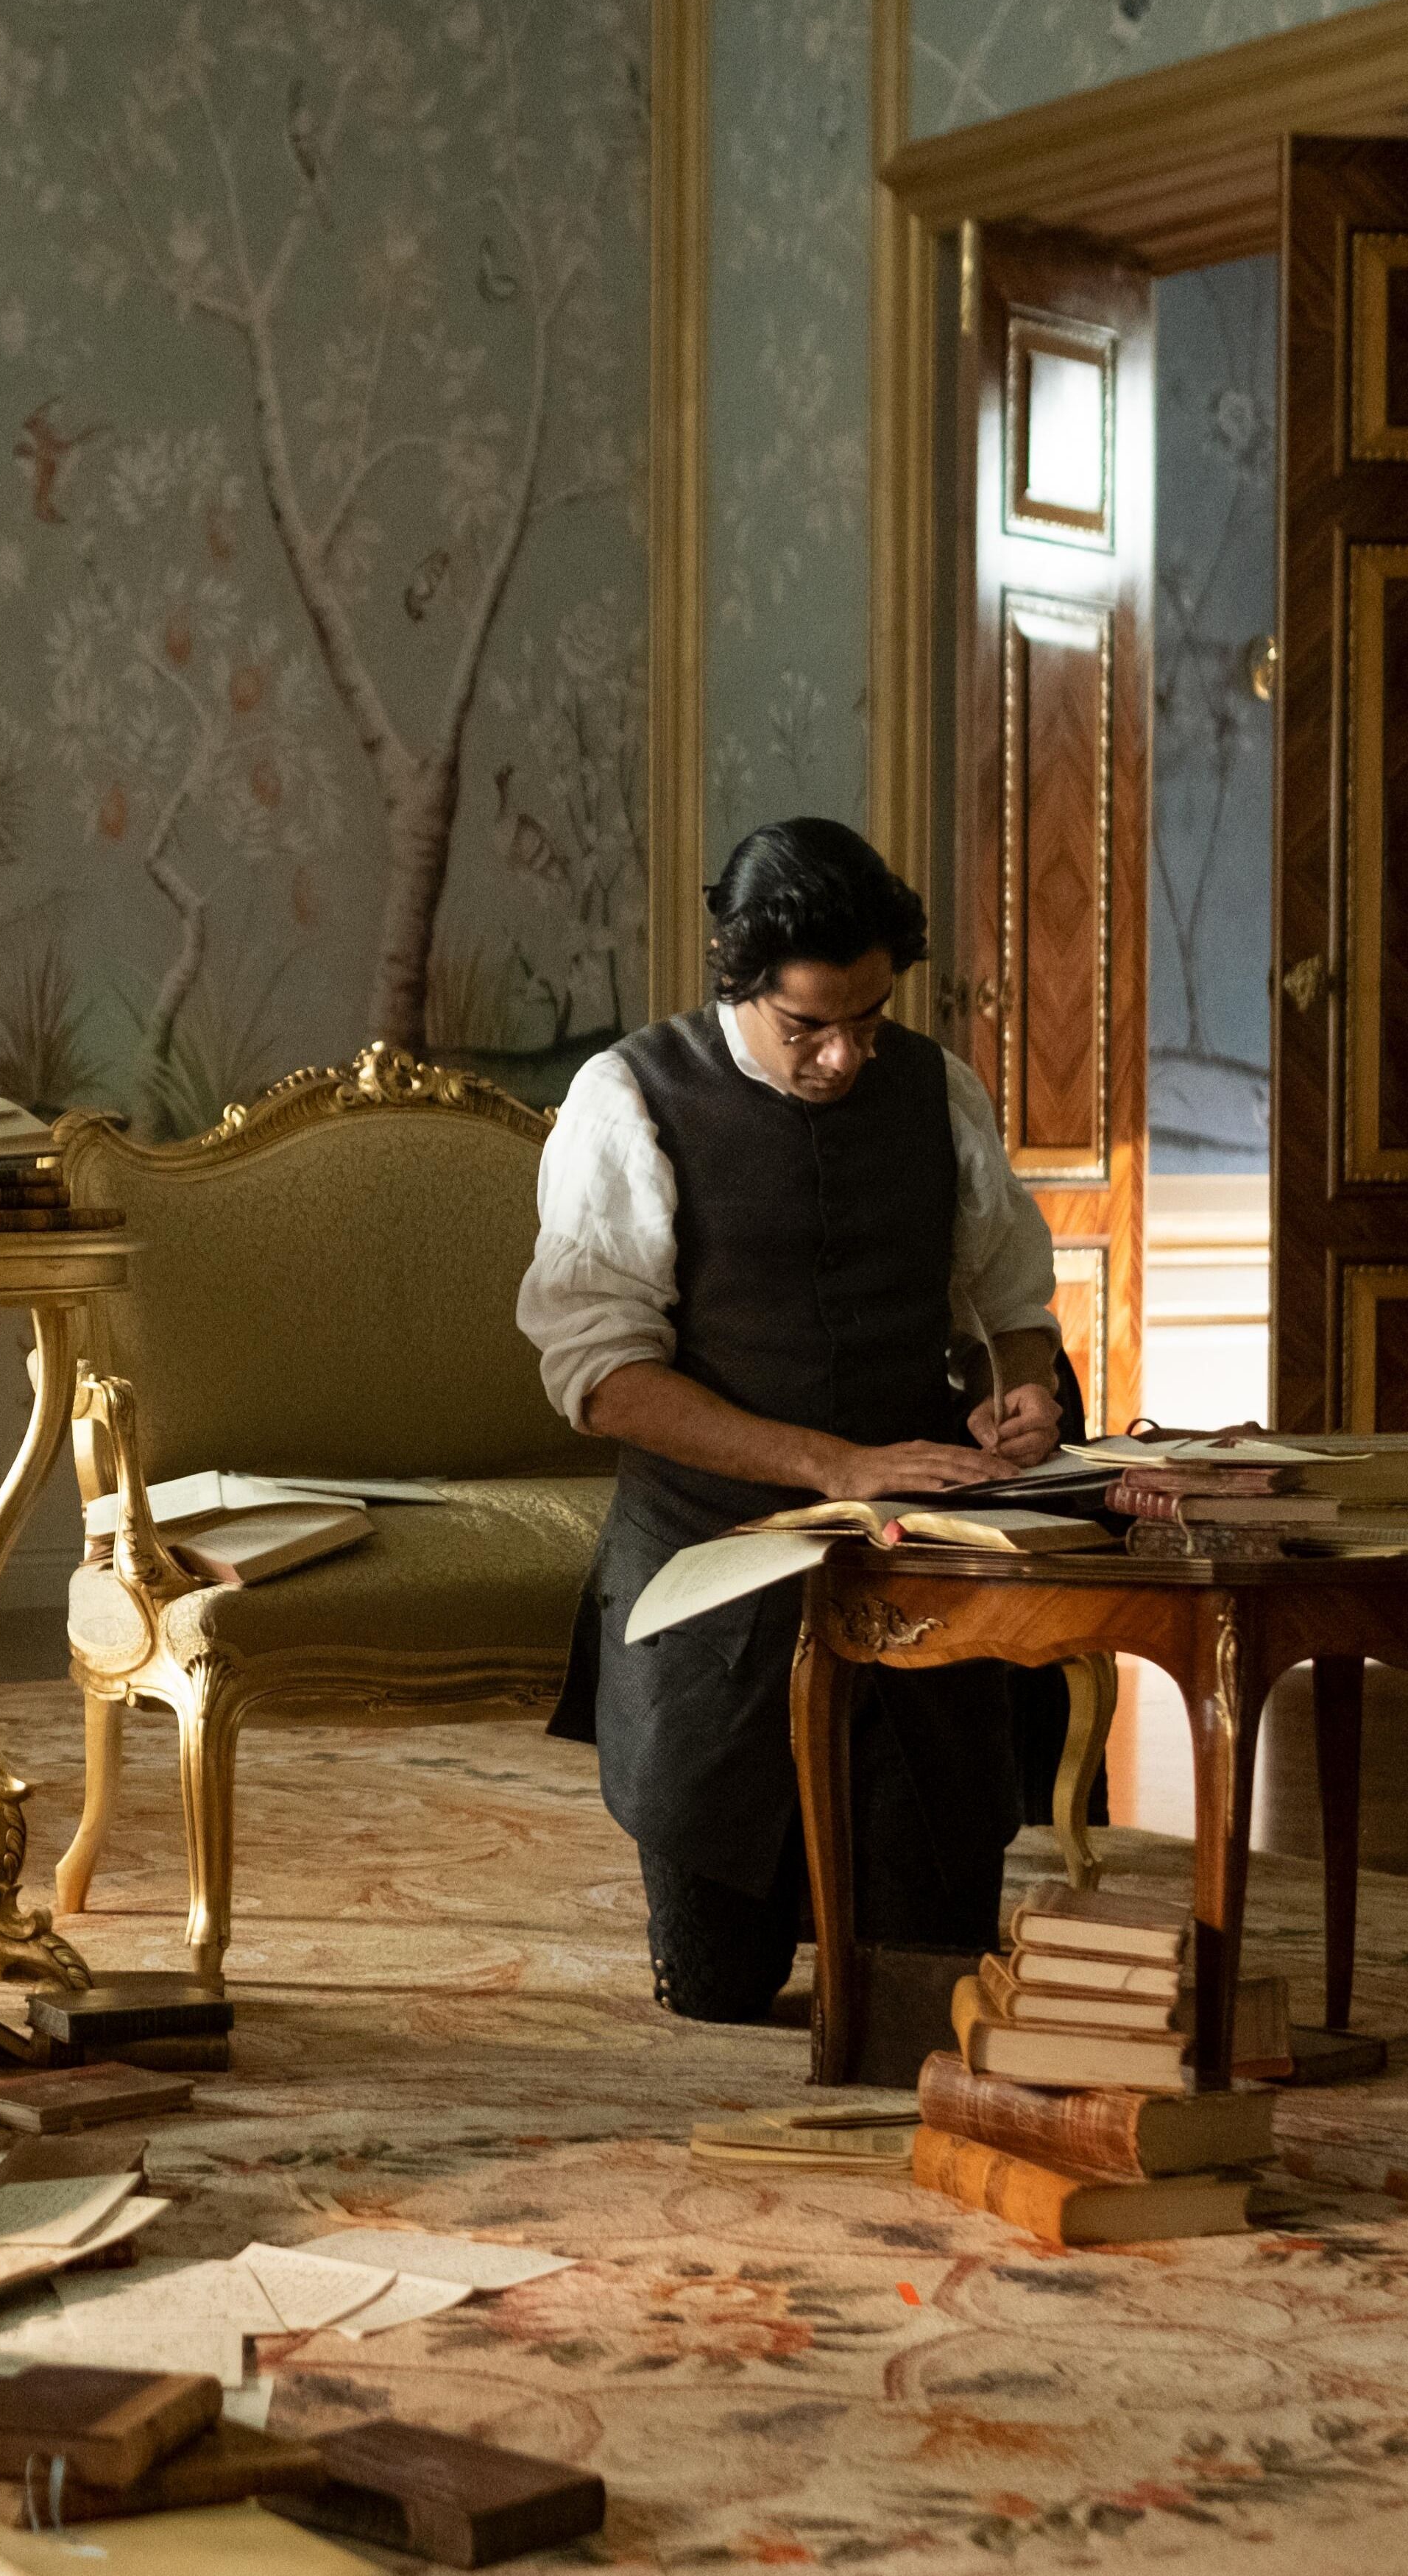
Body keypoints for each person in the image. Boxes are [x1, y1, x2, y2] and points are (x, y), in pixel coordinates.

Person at [524, 818, 1068, 2023]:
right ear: (741, 983)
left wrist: (1015, 1388)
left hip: (917, 1584)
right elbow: (602, 1379)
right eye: (808, 1028)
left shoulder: (937, 1089)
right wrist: (833, 1463)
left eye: (867, 1021)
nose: (842, 1058)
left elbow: (1009, 1305)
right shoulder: (630, 1099)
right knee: (717, 1990)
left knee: (920, 1988)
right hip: (714, 1588)